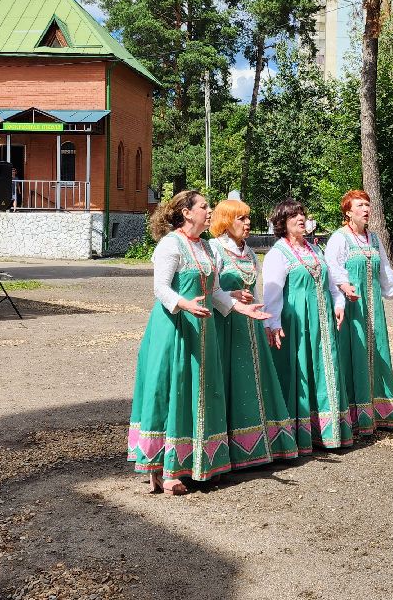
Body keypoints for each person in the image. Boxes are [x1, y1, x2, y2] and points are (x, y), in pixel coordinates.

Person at [128, 190, 271, 495]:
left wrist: (241, 308)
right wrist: (185, 304)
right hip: (174, 328)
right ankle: (164, 470)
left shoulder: (206, 246)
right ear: (186, 213)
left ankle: (198, 462)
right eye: (204, 207)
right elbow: (160, 288)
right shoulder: (170, 244)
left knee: (201, 392)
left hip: (204, 329)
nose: (209, 211)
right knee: (175, 391)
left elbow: (216, 291)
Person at [210, 198, 299, 468]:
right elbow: (211, 290)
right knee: (228, 381)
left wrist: (267, 324)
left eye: (248, 218)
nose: (248, 223)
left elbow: (257, 292)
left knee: (253, 382)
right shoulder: (214, 249)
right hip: (225, 325)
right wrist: (233, 298)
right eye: (241, 219)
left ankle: (256, 446)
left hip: (250, 326)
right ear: (226, 222)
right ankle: (228, 449)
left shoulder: (249, 252)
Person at [263, 198, 353, 452]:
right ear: (282, 223)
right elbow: (272, 294)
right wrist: (273, 323)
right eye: (294, 216)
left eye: (302, 214)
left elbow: (330, 282)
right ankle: (297, 433)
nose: (301, 219)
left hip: (322, 320)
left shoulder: (315, 249)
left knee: (325, 368)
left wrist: (339, 303)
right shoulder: (277, 254)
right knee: (300, 370)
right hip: (297, 323)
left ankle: (327, 431)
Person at [325, 189, 393, 434]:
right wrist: (344, 286)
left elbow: (385, 272)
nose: (366, 209)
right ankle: (352, 417)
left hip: (374, 308)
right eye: (360, 205)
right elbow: (331, 269)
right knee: (352, 355)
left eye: (367, 205)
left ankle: (378, 412)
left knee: (377, 353)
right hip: (351, 308)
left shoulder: (374, 239)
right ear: (348, 212)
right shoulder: (339, 238)